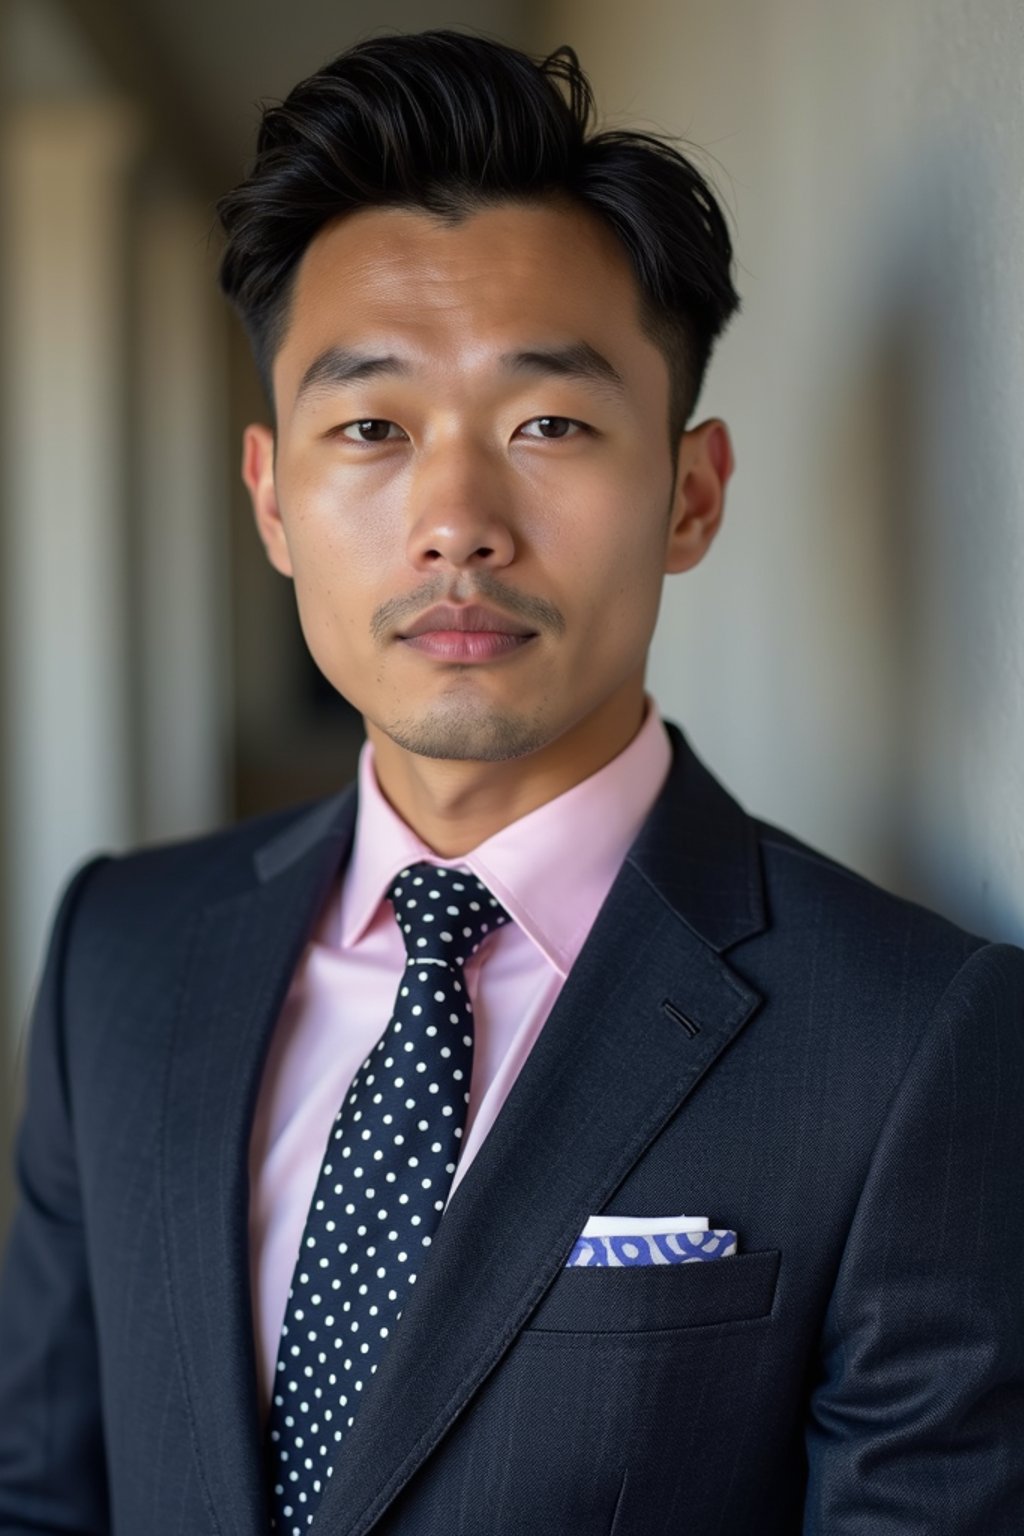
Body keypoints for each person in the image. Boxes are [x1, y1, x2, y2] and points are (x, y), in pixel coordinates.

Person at [0, 27, 1021, 1536]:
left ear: (690, 492)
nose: (457, 520)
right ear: (274, 499)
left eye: (548, 421)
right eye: (370, 427)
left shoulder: (910, 1039)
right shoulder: (118, 954)